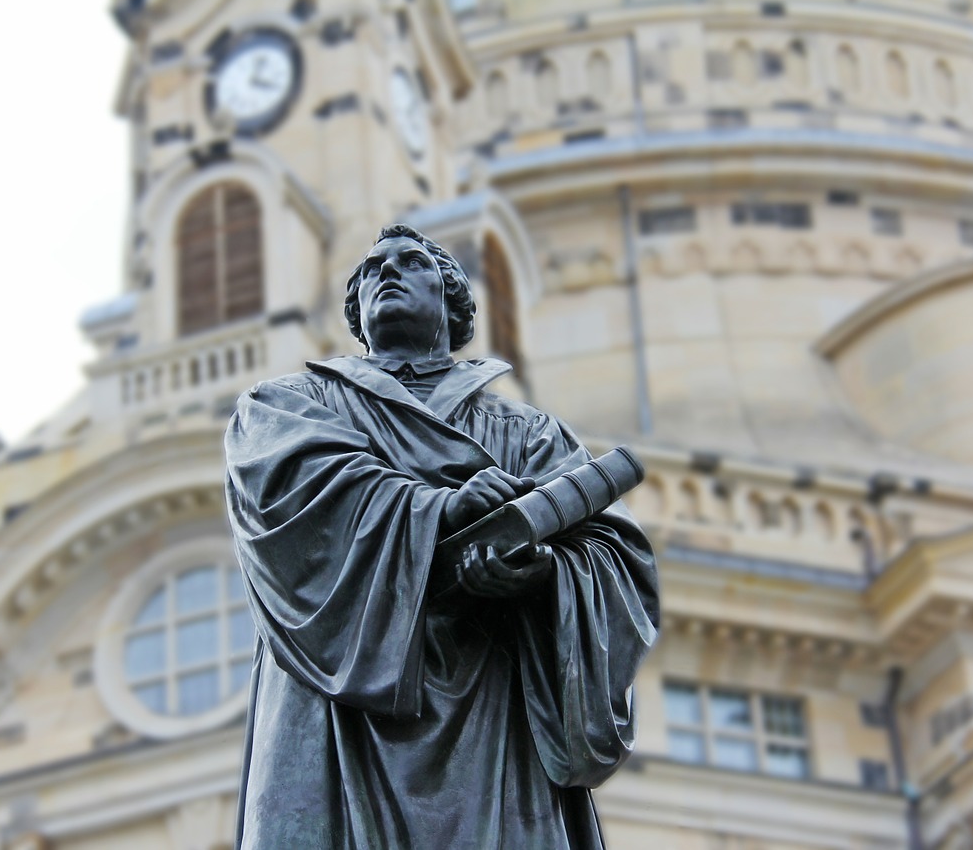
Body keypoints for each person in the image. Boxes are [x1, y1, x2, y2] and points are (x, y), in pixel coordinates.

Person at [224, 223, 659, 849]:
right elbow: (291, 490)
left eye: (410, 263)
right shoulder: (289, 405)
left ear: (452, 300)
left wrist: (540, 573)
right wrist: (439, 509)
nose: (387, 274)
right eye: (372, 270)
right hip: (338, 711)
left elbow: (612, 553)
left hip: (492, 705)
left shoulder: (528, 432)